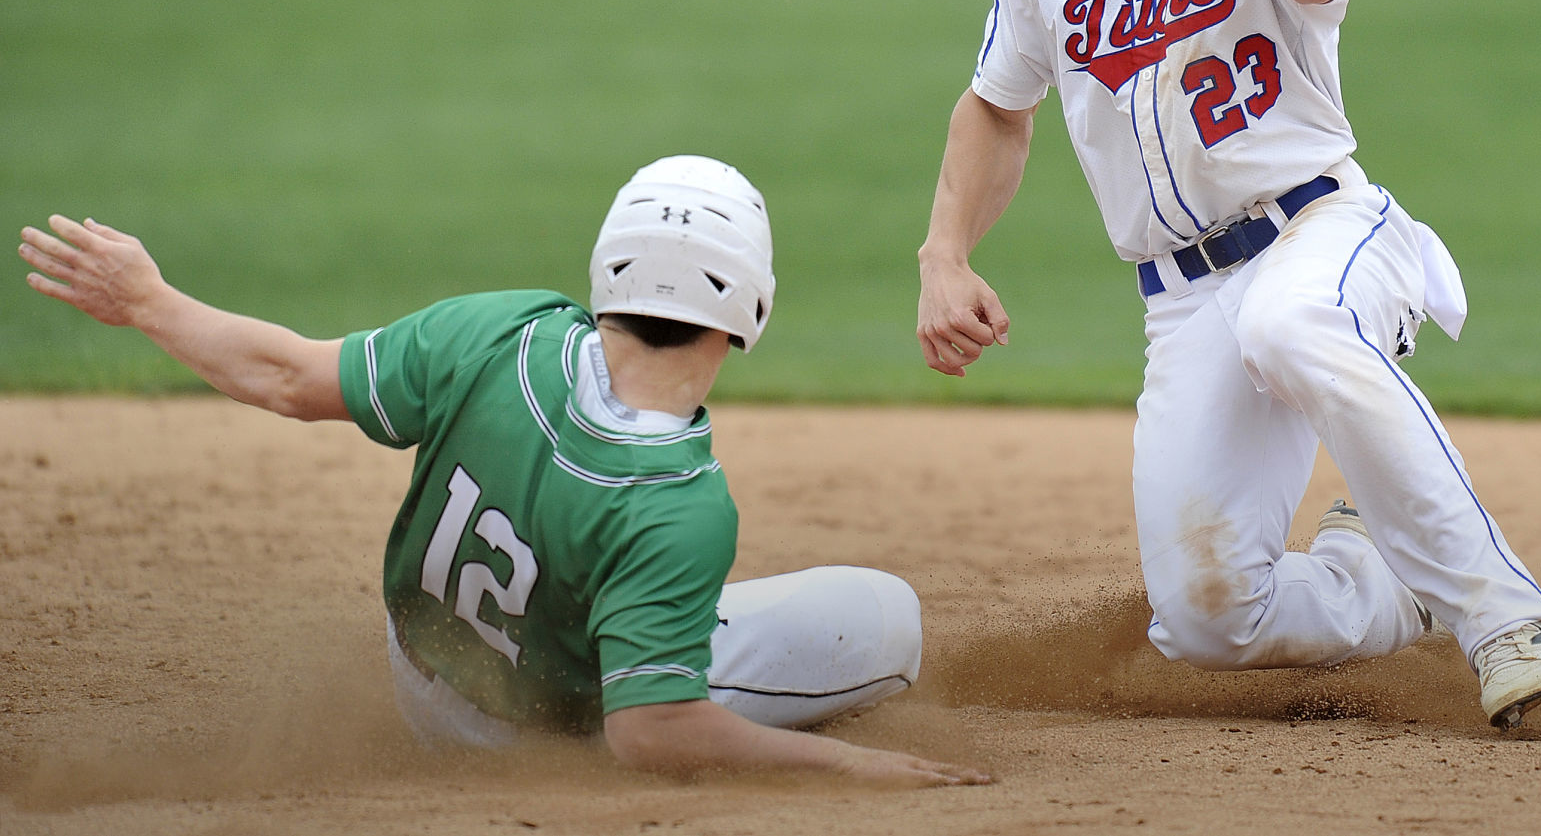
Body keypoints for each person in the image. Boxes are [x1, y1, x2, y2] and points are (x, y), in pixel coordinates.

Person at [914, 0, 1541, 731]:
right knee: (1211, 618)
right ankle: (1386, 576)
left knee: (1290, 321)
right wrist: (944, 252)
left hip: (1320, 231)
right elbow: (996, 103)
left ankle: (1502, 619)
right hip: (1180, 301)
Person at [21, 155, 989, 785]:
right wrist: (864, 773)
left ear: (609, 270)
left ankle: (628, 622)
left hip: (422, 670)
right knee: (884, 613)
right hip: (530, 736)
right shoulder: (677, 505)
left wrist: (146, 299)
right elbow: (653, 738)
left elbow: (284, 377)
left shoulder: (498, 331)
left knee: (642, 587)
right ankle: (641, 633)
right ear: (754, 309)